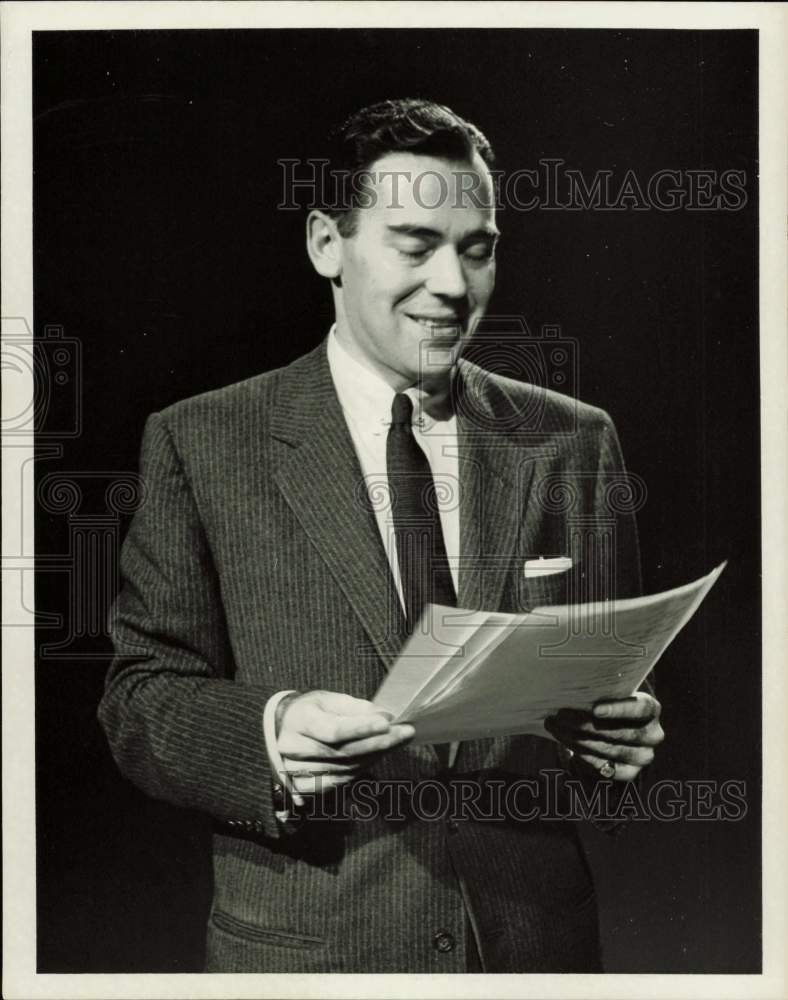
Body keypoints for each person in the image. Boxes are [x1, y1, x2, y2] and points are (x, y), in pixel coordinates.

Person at [99, 98, 664, 974]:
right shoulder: (201, 440)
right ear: (327, 243)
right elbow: (140, 698)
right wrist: (269, 729)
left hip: (531, 952)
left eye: (476, 250)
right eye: (414, 243)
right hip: (308, 957)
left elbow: (602, 710)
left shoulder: (573, 440)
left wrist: (617, 741)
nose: (452, 284)